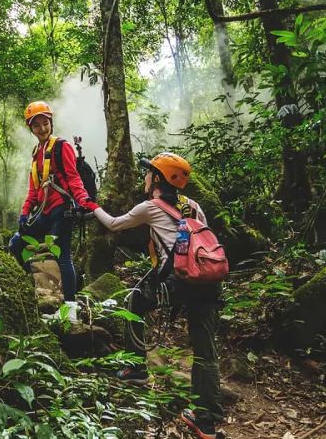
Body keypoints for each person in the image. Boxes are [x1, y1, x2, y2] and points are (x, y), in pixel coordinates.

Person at [89, 152, 224, 439]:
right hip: (207, 281)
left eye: (149, 172)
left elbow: (113, 224)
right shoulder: (194, 206)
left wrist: (93, 207)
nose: (145, 177)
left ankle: (136, 367)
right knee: (205, 350)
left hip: (179, 282)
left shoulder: (150, 207)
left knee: (134, 301)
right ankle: (206, 421)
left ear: (158, 178)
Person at [9, 101, 97, 322]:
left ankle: (70, 309)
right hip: (44, 212)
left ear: (51, 123)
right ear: (31, 129)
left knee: (63, 255)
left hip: (62, 209)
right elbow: (34, 190)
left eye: (45, 123)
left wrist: (84, 200)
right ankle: (31, 289)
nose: (42, 128)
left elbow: (74, 178)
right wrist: (24, 214)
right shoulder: (36, 153)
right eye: (36, 125)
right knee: (16, 244)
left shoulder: (61, 147)